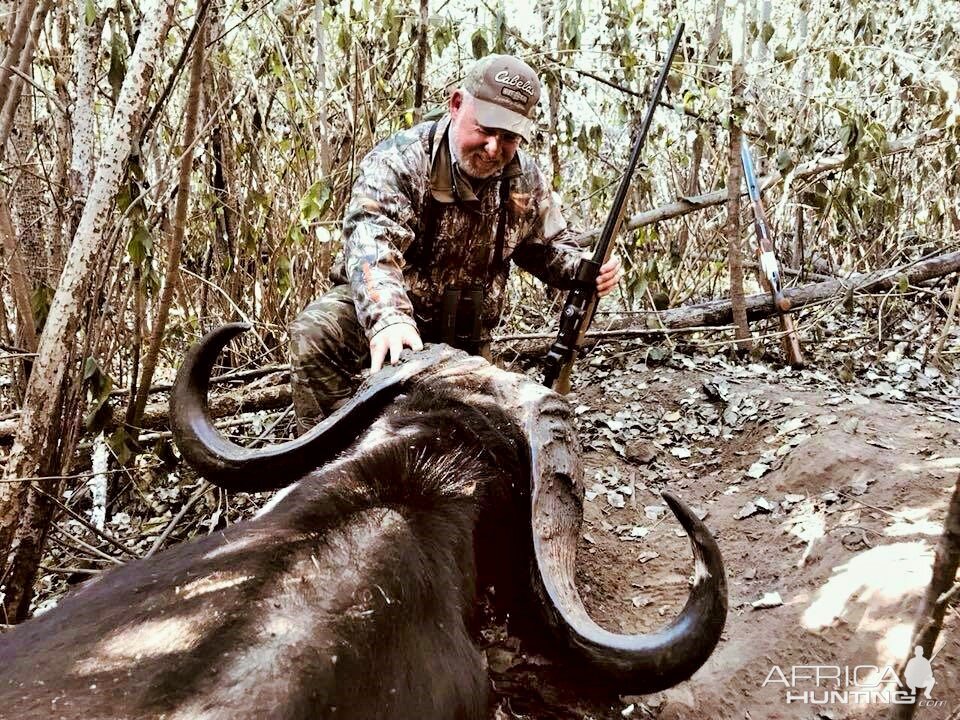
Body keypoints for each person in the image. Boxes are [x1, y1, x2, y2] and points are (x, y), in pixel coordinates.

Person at [289, 53, 621, 430]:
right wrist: (389, 319)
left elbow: (546, 249)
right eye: (485, 129)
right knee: (315, 333)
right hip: (393, 322)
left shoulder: (525, 179)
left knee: (486, 437)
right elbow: (371, 241)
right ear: (456, 104)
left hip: (463, 337)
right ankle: (328, 459)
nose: (493, 149)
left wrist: (588, 268)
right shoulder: (400, 160)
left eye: (509, 137)